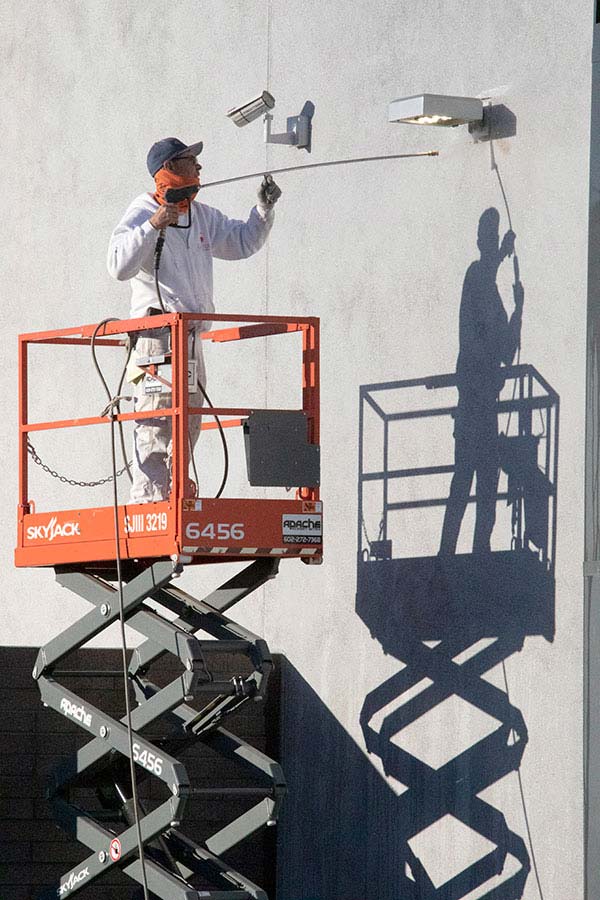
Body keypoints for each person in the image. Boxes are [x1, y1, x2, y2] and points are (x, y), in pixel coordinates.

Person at [107, 137, 281, 503]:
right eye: (191, 162)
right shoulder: (142, 209)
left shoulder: (201, 215)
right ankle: (151, 496)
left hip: (190, 336)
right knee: (155, 417)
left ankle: (177, 488)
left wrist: (262, 209)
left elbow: (241, 241)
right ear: (169, 170)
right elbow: (118, 265)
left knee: (190, 418)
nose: (199, 169)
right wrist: (153, 225)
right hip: (156, 334)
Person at [438, 208, 523, 555]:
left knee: (477, 481)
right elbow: (505, 350)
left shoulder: (486, 287)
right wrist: (503, 254)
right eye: (489, 237)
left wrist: (518, 309)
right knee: (472, 481)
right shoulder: (478, 277)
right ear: (481, 241)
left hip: (480, 405)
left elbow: (506, 350)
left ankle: (470, 551)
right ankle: (461, 551)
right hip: (478, 402)